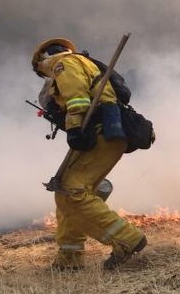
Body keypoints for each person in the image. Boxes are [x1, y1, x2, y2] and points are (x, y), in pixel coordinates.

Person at [31, 38, 147, 270]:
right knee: (64, 190)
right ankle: (69, 259)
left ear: (41, 60)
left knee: (72, 191)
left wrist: (74, 128)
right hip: (101, 133)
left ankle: (127, 239)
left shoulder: (63, 63)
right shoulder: (79, 61)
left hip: (100, 132)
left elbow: (77, 97)